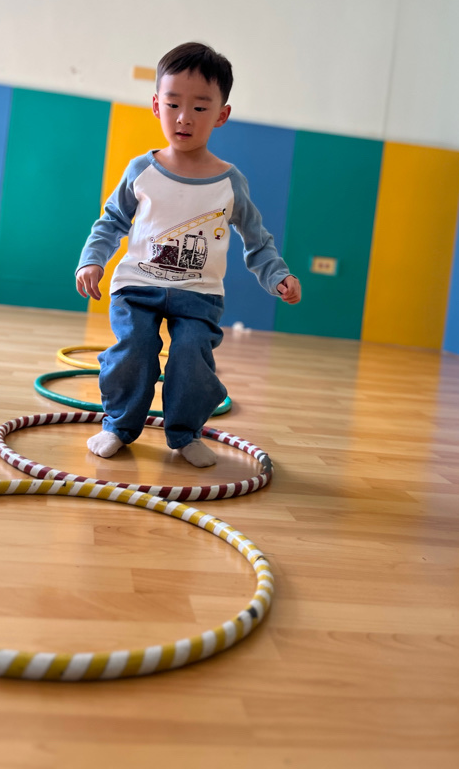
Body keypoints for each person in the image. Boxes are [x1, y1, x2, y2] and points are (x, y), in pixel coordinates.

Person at [75, 42, 301, 467]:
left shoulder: (230, 182)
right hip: (137, 286)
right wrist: (92, 259)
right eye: (173, 104)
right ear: (156, 105)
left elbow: (257, 239)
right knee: (134, 349)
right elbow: (111, 221)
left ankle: (184, 434)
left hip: (199, 294)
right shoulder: (141, 170)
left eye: (200, 107)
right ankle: (118, 426)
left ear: (221, 115)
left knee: (192, 356)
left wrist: (278, 276)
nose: (184, 117)